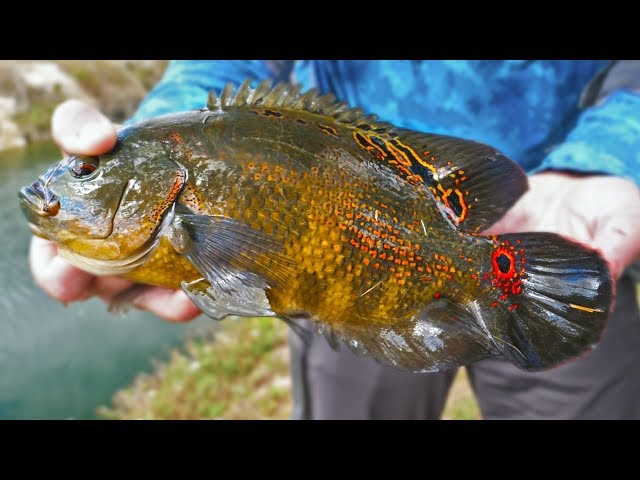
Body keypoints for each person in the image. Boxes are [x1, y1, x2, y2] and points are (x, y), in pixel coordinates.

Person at [31, 60, 640, 419]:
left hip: (565, 209)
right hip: (343, 303)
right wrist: (156, 120)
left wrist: (611, 155)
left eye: (84, 176)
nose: (63, 190)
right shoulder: (169, 176)